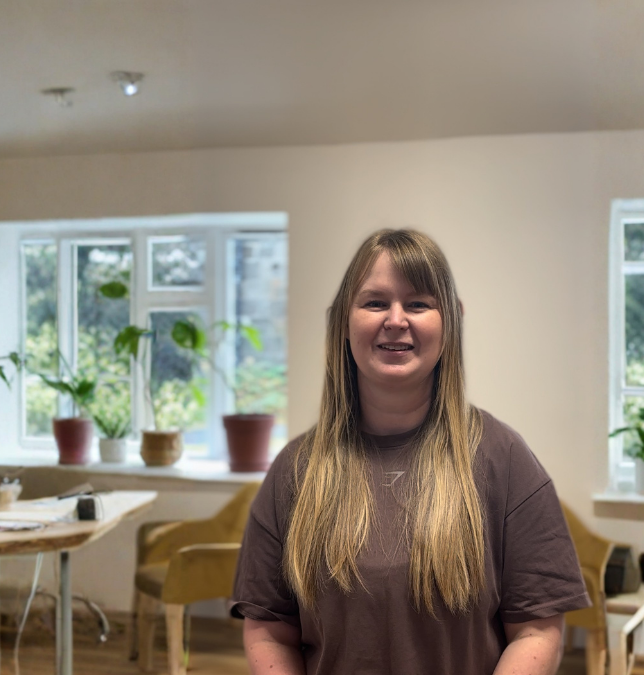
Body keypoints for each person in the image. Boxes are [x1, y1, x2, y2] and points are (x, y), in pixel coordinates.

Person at [230, 229, 589, 675]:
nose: (396, 319)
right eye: (375, 302)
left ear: (451, 321)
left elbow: (536, 631)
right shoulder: (295, 470)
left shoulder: (506, 460)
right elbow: (269, 631)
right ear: (343, 322)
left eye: (418, 304)